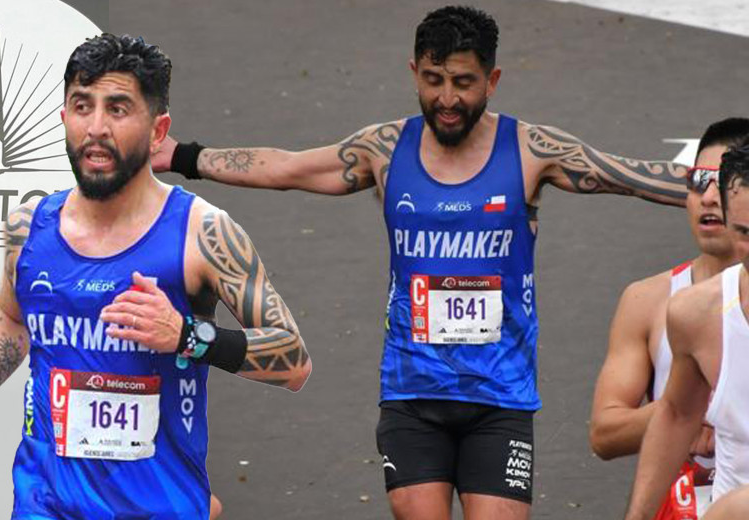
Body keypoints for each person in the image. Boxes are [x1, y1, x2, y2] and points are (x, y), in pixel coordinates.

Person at [151, 6, 691, 519]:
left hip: (499, 399)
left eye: (463, 82)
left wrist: (718, 183)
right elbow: (289, 167)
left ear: (492, 80)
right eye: (433, 80)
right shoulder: (385, 150)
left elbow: (625, 174)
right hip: (412, 397)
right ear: (415, 72)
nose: (447, 98)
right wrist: (181, 156)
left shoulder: (529, 150)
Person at [0, 34, 312, 519]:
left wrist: (187, 337)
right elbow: (11, 317)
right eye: (81, 106)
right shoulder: (28, 227)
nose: (96, 128)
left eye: (117, 109)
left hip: (156, 505)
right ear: (64, 116)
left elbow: (293, 360)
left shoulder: (204, 233)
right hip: (44, 501)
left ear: (158, 131)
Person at [590, 118, 749, 519]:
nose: (709, 198)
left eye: (718, 182)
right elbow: (670, 416)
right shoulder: (683, 308)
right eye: (698, 181)